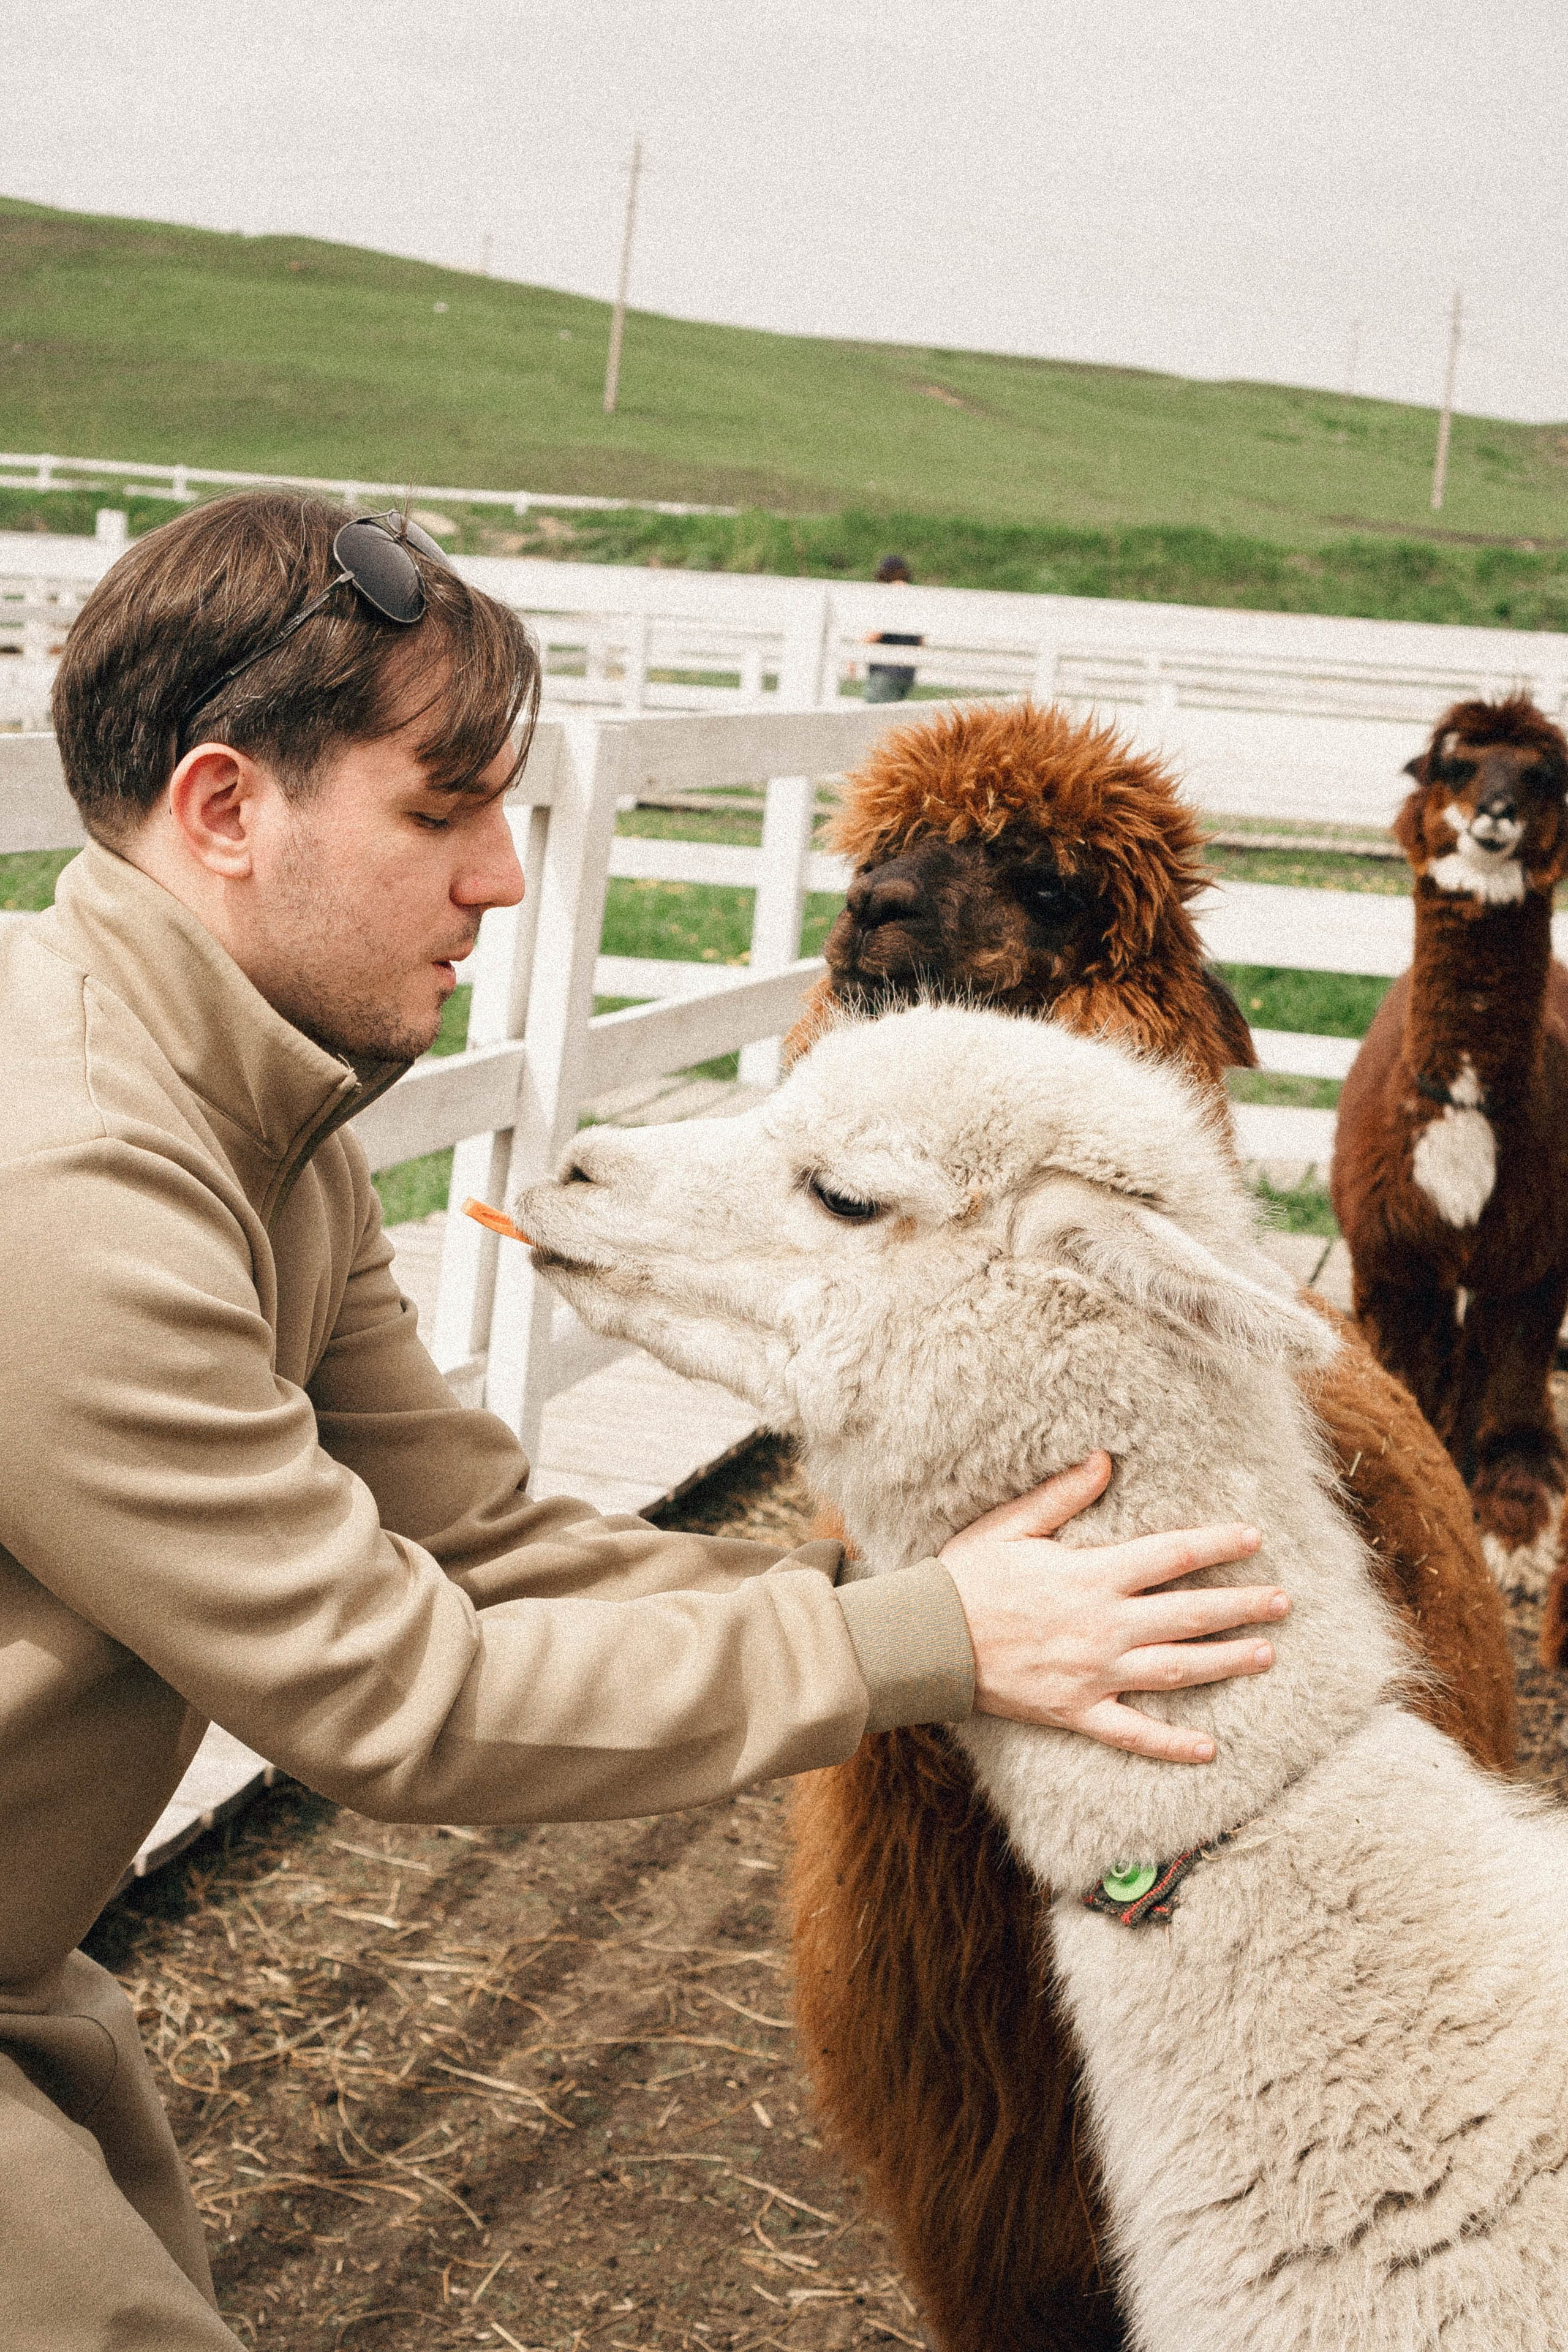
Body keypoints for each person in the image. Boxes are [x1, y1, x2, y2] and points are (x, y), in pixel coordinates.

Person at [0, 492, 1287, 2348]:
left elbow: (486, 1543)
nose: (504, 878)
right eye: (437, 813)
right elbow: (393, 1692)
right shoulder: (72, 1186)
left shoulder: (262, 1134)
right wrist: (925, 1640)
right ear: (223, 810)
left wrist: (941, 1634)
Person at [862, 550, 922, 701]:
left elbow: (879, 631)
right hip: (907, 674)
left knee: (873, 717)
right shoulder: (917, 599)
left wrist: (856, 649)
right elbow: (920, 640)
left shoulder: (893, 594)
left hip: (885, 671)